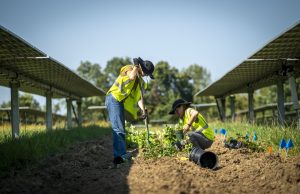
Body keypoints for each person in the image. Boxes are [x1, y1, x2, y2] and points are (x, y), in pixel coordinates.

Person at [105, 57, 155, 166]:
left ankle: (121, 154)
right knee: (118, 129)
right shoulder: (129, 68)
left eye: (147, 75)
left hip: (119, 102)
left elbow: (139, 99)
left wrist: (143, 110)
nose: (144, 75)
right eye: (145, 73)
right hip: (113, 98)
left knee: (120, 127)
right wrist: (136, 67)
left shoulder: (139, 81)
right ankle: (119, 157)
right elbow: (131, 76)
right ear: (141, 67)